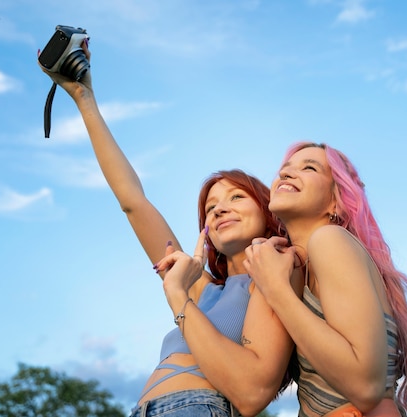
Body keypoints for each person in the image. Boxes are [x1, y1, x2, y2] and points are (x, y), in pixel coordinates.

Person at [38, 41, 299, 417]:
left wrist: (177, 295)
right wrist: (83, 97)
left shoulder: (273, 275)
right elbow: (133, 202)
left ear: (267, 209)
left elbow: (253, 390)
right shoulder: (201, 287)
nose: (220, 207)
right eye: (210, 207)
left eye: (236, 198)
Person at [244, 142, 407, 417]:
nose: (286, 175)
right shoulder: (304, 266)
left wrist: (275, 290)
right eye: (284, 170)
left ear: (335, 201)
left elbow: (366, 387)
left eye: (309, 167)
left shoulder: (330, 240)